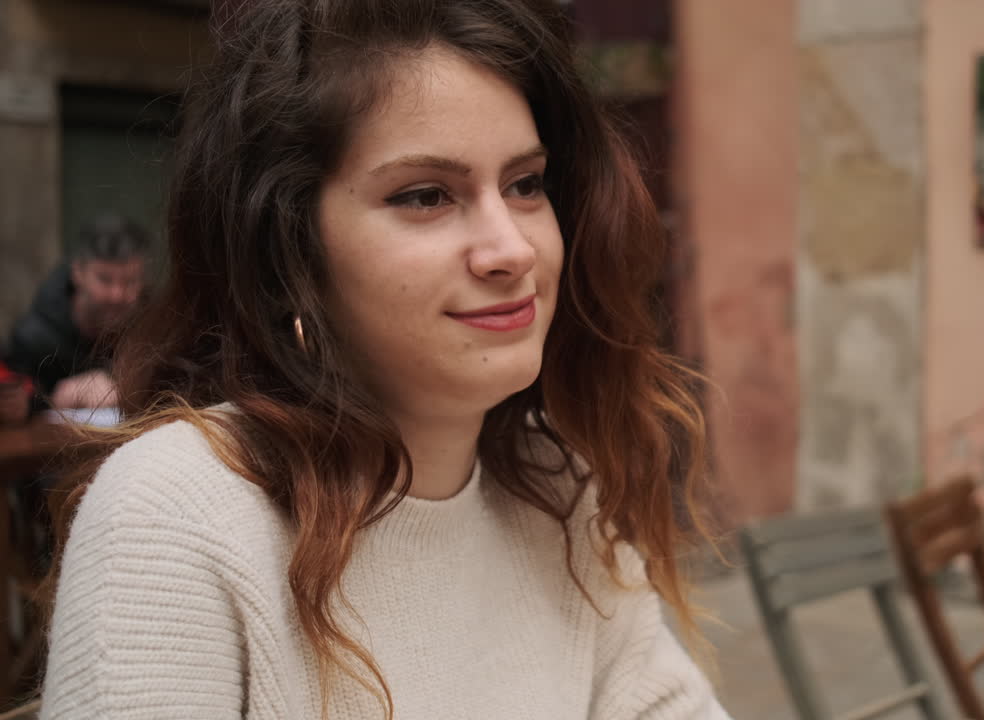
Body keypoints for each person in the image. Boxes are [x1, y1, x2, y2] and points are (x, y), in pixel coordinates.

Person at [41, 1, 728, 718]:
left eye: (525, 185)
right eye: (426, 195)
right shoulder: (177, 517)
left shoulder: (559, 489)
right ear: (290, 254)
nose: (513, 249)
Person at [4, 214, 149, 416]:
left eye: (130, 282)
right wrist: (51, 400)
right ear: (77, 273)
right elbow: (15, 404)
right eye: (105, 280)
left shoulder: (153, 326)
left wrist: (122, 384)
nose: (117, 295)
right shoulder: (32, 339)